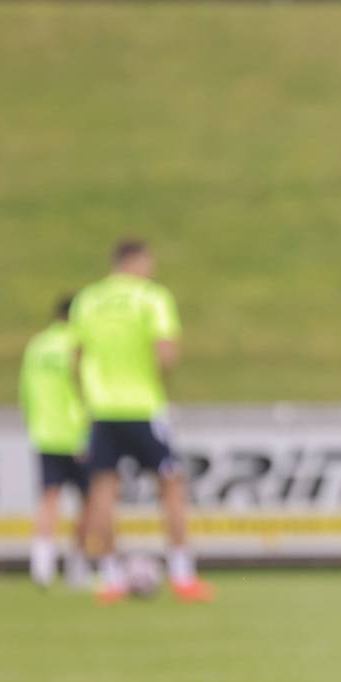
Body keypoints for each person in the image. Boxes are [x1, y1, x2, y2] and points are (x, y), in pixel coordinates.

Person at [72, 238, 213, 605]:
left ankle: (111, 578)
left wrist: (89, 395)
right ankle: (183, 575)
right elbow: (165, 352)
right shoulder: (152, 298)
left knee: (103, 490)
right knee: (171, 484)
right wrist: (160, 382)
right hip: (143, 406)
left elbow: (76, 357)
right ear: (136, 261)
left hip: (102, 409)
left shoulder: (88, 300)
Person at [18, 296, 92, 589]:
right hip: (78, 435)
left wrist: (36, 424)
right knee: (90, 501)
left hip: (45, 433)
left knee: (49, 499)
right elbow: (86, 386)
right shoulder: (79, 344)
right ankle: (78, 566)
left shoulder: (37, 345)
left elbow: (25, 390)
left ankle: (42, 567)